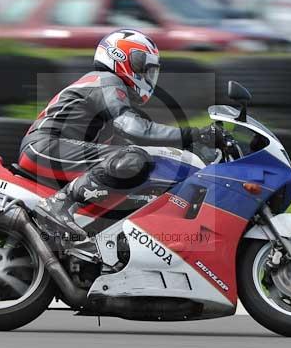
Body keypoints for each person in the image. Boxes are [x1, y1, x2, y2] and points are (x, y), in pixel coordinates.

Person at [17, 29, 221, 239]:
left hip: (58, 150)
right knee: (132, 159)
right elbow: (135, 129)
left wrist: (191, 150)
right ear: (121, 57)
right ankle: (58, 205)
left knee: (136, 164)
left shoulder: (114, 96)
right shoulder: (106, 80)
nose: (147, 76)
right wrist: (195, 134)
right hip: (44, 146)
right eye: (143, 67)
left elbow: (136, 140)